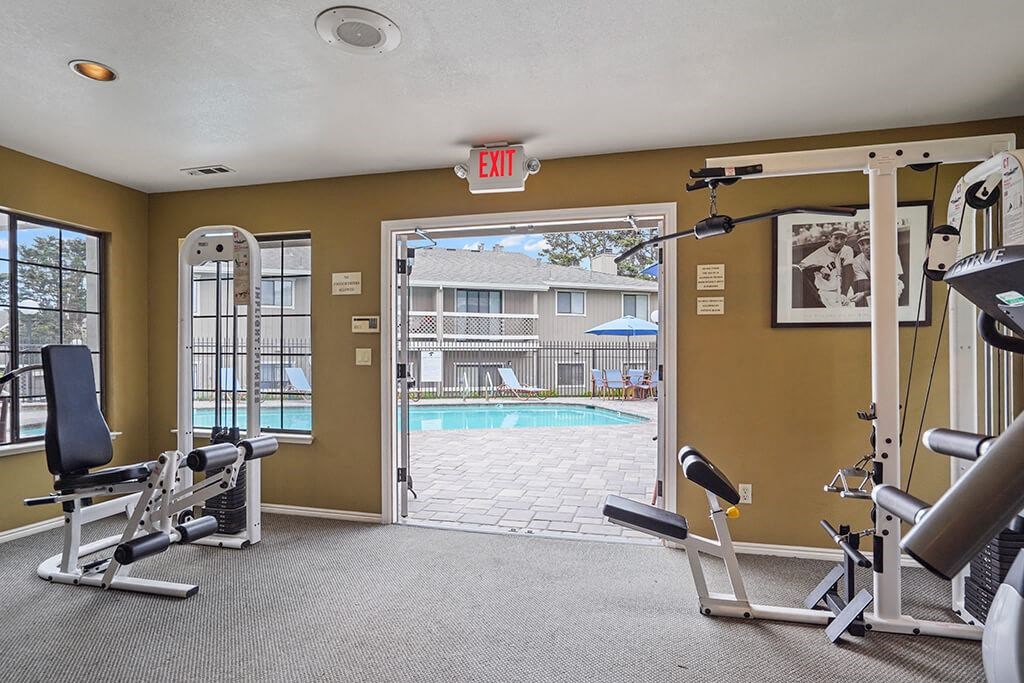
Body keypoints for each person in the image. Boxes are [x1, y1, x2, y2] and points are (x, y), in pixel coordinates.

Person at [796, 227, 855, 307]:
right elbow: (799, 266)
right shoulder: (819, 253)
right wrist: (819, 268)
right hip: (827, 293)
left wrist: (844, 294)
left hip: (845, 290)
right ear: (829, 238)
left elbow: (848, 272)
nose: (839, 241)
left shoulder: (847, 250)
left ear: (846, 239)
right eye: (836, 238)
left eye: (843, 238)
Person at [849, 231, 904, 307]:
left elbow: (889, 284)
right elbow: (863, 284)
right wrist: (863, 294)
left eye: (868, 242)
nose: (865, 247)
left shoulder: (890, 254)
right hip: (871, 289)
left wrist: (864, 293)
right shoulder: (857, 261)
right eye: (862, 244)